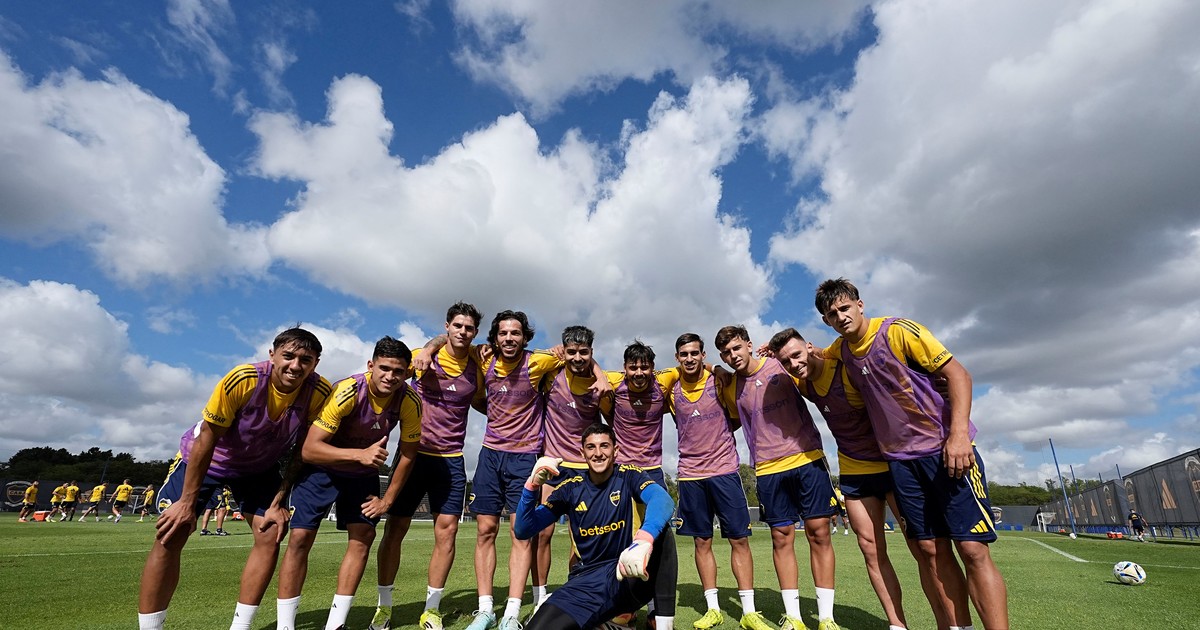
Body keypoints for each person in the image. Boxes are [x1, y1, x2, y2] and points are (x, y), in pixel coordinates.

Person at [816, 277, 1007, 629]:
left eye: (845, 308)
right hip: (901, 465)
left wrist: (958, 435)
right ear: (826, 321)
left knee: (973, 550)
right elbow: (815, 354)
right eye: (832, 314)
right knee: (932, 551)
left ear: (860, 304)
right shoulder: (841, 350)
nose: (841, 316)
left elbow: (959, 375)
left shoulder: (899, 331)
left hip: (946, 452)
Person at [137, 327, 332, 630]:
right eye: (288, 356)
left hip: (258, 468)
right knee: (171, 534)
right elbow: (207, 438)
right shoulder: (244, 379)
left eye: (305, 360)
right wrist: (187, 503)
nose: (295, 366)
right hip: (208, 461)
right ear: (272, 355)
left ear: (315, 363)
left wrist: (279, 500)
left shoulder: (319, 392)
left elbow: (302, 450)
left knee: (270, 533)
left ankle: (240, 627)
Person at [769, 327, 954, 630]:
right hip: (855, 470)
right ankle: (897, 625)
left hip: (893, 464)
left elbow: (891, 376)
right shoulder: (802, 383)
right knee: (870, 549)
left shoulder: (845, 367)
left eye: (797, 355)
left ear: (810, 347)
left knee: (924, 549)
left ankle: (946, 624)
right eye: (786, 361)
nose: (793, 364)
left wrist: (935, 383)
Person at [461, 310, 604, 630]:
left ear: (525, 337)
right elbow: (454, 345)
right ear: (495, 338)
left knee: (522, 532)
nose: (509, 338)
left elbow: (578, 355)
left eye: (515, 333)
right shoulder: (484, 359)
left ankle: (512, 613)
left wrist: (602, 375)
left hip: (526, 458)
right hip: (490, 455)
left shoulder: (540, 361)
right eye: (503, 333)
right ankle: (485, 610)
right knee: (485, 530)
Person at [278, 336, 422, 630]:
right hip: (321, 469)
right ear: (371, 365)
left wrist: (387, 500)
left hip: (360, 475)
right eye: (384, 368)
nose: (390, 376)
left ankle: (336, 624)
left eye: (398, 371)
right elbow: (310, 449)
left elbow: (408, 453)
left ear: (406, 373)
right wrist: (360, 454)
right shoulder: (348, 391)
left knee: (362, 537)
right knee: (300, 538)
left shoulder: (409, 401)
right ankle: (285, 625)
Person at [715, 325, 840, 630]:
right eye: (726, 353)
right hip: (768, 468)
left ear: (749, 345)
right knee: (781, 537)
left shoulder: (781, 364)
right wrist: (714, 369)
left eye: (737, 348)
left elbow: (815, 361)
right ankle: (794, 617)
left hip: (807, 457)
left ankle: (826, 618)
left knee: (819, 533)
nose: (733, 356)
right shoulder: (731, 387)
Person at [371, 302, 486, 630]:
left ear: (475, 332)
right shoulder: (421, 356)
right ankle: (384, 606)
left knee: (447, 532)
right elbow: (385, 380)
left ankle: (431, 610)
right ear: (447, 326)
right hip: (413, 455)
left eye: (469, 328)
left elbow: (483, 403)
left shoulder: (477, 366)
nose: (463, 332)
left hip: (450, 460)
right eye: (457, 325)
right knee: (395, 529)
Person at [515, 423, 677, 630]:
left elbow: (662, 500)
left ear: (615, 450)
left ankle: (663, 624)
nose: (598, 453)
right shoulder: (570, 488)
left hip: (623, 574)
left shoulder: (629, 475)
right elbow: (523, 529)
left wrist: (643, 540)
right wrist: (532, 486)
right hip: (585, 582)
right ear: (582, 453)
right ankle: (609, 624)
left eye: (604, 446)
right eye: (591, 447)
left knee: (662, 533)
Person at [668, 333, 767, 630]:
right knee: (702, 541)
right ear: (677, 358)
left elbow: (735, 418)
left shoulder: (719, 382)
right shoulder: (671, 389)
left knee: (739, 539)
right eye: (684, 354)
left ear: (703, 355)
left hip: (724, 471)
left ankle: (749, 612)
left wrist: (718, 369)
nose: (689, 358)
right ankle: (713, 609)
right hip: (690, 475)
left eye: (694, 353)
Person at [604, 340, 680, 629]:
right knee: (620, 537)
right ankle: (624, 606)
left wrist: (718, 370)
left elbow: (695, 365)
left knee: (658, 540)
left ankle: (655, 610)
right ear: (624, 368)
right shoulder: (614, 382)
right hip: (622, 472)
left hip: (652, 471)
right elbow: (589, 368)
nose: (638, 372)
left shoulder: (664, 381)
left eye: (644, 367)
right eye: (633, 367)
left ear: (653, 368)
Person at [531, 325, 608, 612]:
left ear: (591, 352)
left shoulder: (601, 385)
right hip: (554, 466)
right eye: (572, 351)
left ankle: (579, 593)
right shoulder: (551, 373)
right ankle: (539, 599)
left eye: (584, 352)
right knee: (543, 532)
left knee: (585, 538)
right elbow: (526, 358)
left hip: (585, 471)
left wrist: (600, 373)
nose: (578, 357)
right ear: (563, 351)